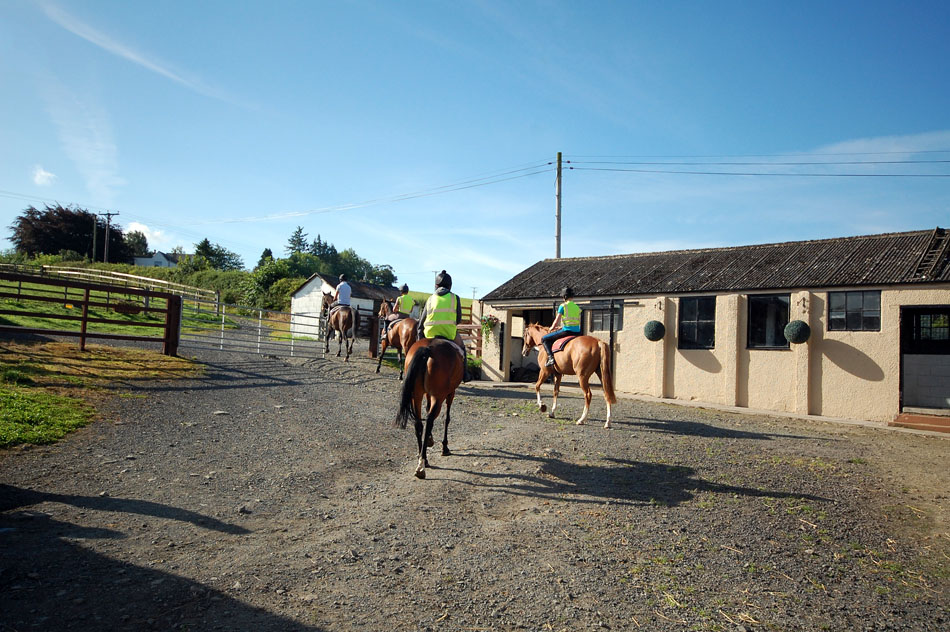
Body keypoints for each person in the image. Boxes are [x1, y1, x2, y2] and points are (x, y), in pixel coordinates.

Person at [416, 270, 471, 382]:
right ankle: (465, 374)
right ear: (450, 286)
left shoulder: (430, 298)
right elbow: (458, 319)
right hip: (448, 333)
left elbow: (422, 321)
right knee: (462, 348)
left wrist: (419, 336)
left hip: (430, 333)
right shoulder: (455, 298)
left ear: (436, 286)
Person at [541, 286, 581, 368]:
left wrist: (552, 327)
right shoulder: (577, 307)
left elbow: (557, 320)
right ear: (572, 297)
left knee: (544, 339)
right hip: (577, 332)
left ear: (564, 297)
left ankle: (551, 358)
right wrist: (561, 327)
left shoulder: (563, 306)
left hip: (567, 331)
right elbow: (574, 321)